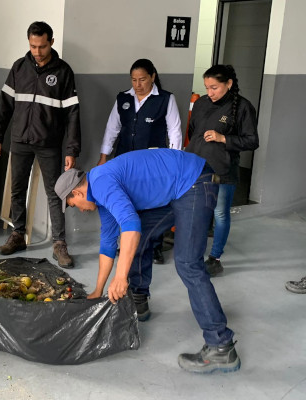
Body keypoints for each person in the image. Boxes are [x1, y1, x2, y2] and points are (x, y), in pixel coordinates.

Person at [54, 149, 240, 373]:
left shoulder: (102, 183)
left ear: (77, 193)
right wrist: (98, 289)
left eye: (73, 205)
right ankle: (139, 301)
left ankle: (221, 346)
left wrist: (121, 277)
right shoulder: (100, 193)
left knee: (188, 262)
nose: (80, 210)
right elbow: (108, 243)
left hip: (194, 181)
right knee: (140, 238)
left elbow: (130, 224)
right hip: (178, 188)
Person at [0, 21, 81, 268]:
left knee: (56, 192)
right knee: (17, 189)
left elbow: (72, 113)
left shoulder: (63, 72)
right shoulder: (19, 67)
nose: (37, 52)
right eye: (32, 46)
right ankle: (18, 234)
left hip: (49, 143)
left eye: (42, 46)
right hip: (20, 139)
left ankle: (59, 244)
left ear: (51, 42)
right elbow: (5, 106)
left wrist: (72, 149)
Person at [97, 58, 182, 264]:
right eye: (134, 80)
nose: (138, 84)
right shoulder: (123, 98)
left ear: (152, 77)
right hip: (124, 161)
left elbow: (175, 131)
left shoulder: (165, 99)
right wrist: (104, 157)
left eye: (142, 79)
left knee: (154, 203)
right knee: (127, 202)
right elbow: (112, 129)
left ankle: (154, 247)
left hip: (152, 164)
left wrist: (174, 161)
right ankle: (128, 244)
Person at [185, 65, 259, 277]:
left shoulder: (243, 107)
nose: (210, 93)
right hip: (196, 167)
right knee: (196, 210)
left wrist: (223, 138)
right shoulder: (200, 104)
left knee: (219, 213)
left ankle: (215, 258)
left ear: (229, 84)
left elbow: (252, 141)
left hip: (223, 170)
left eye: (215, 87)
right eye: (207, 87)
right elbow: (193, 132)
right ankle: (193, 253)